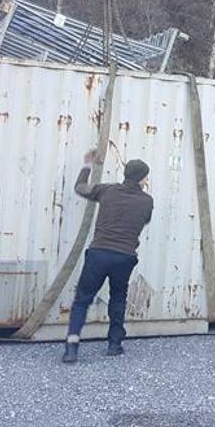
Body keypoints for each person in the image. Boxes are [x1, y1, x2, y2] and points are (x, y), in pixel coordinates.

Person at [62, 150, 154, 363]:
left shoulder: (107, 191)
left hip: (99, 254)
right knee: (118, 296)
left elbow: (80, 188)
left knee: (82, 299)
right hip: (125, 257)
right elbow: (145, 220)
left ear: (125, 174)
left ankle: (72, 346)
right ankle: (114, 344)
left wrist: (87, 165)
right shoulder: (146, 201)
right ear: (142, 178)